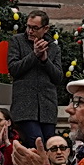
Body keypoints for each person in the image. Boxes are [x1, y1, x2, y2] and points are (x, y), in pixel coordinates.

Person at [8, 11, 64, 147]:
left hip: (47, 108)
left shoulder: (54, 48)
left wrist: (45, 60)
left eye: (34, 28)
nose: (30, 31)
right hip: (25, 109)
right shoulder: (17, 41)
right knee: (37, 142)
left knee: (49, 146)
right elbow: (14, 69)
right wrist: (34, 55)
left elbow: (58, 77)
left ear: (45, 29)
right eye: (28, 27)